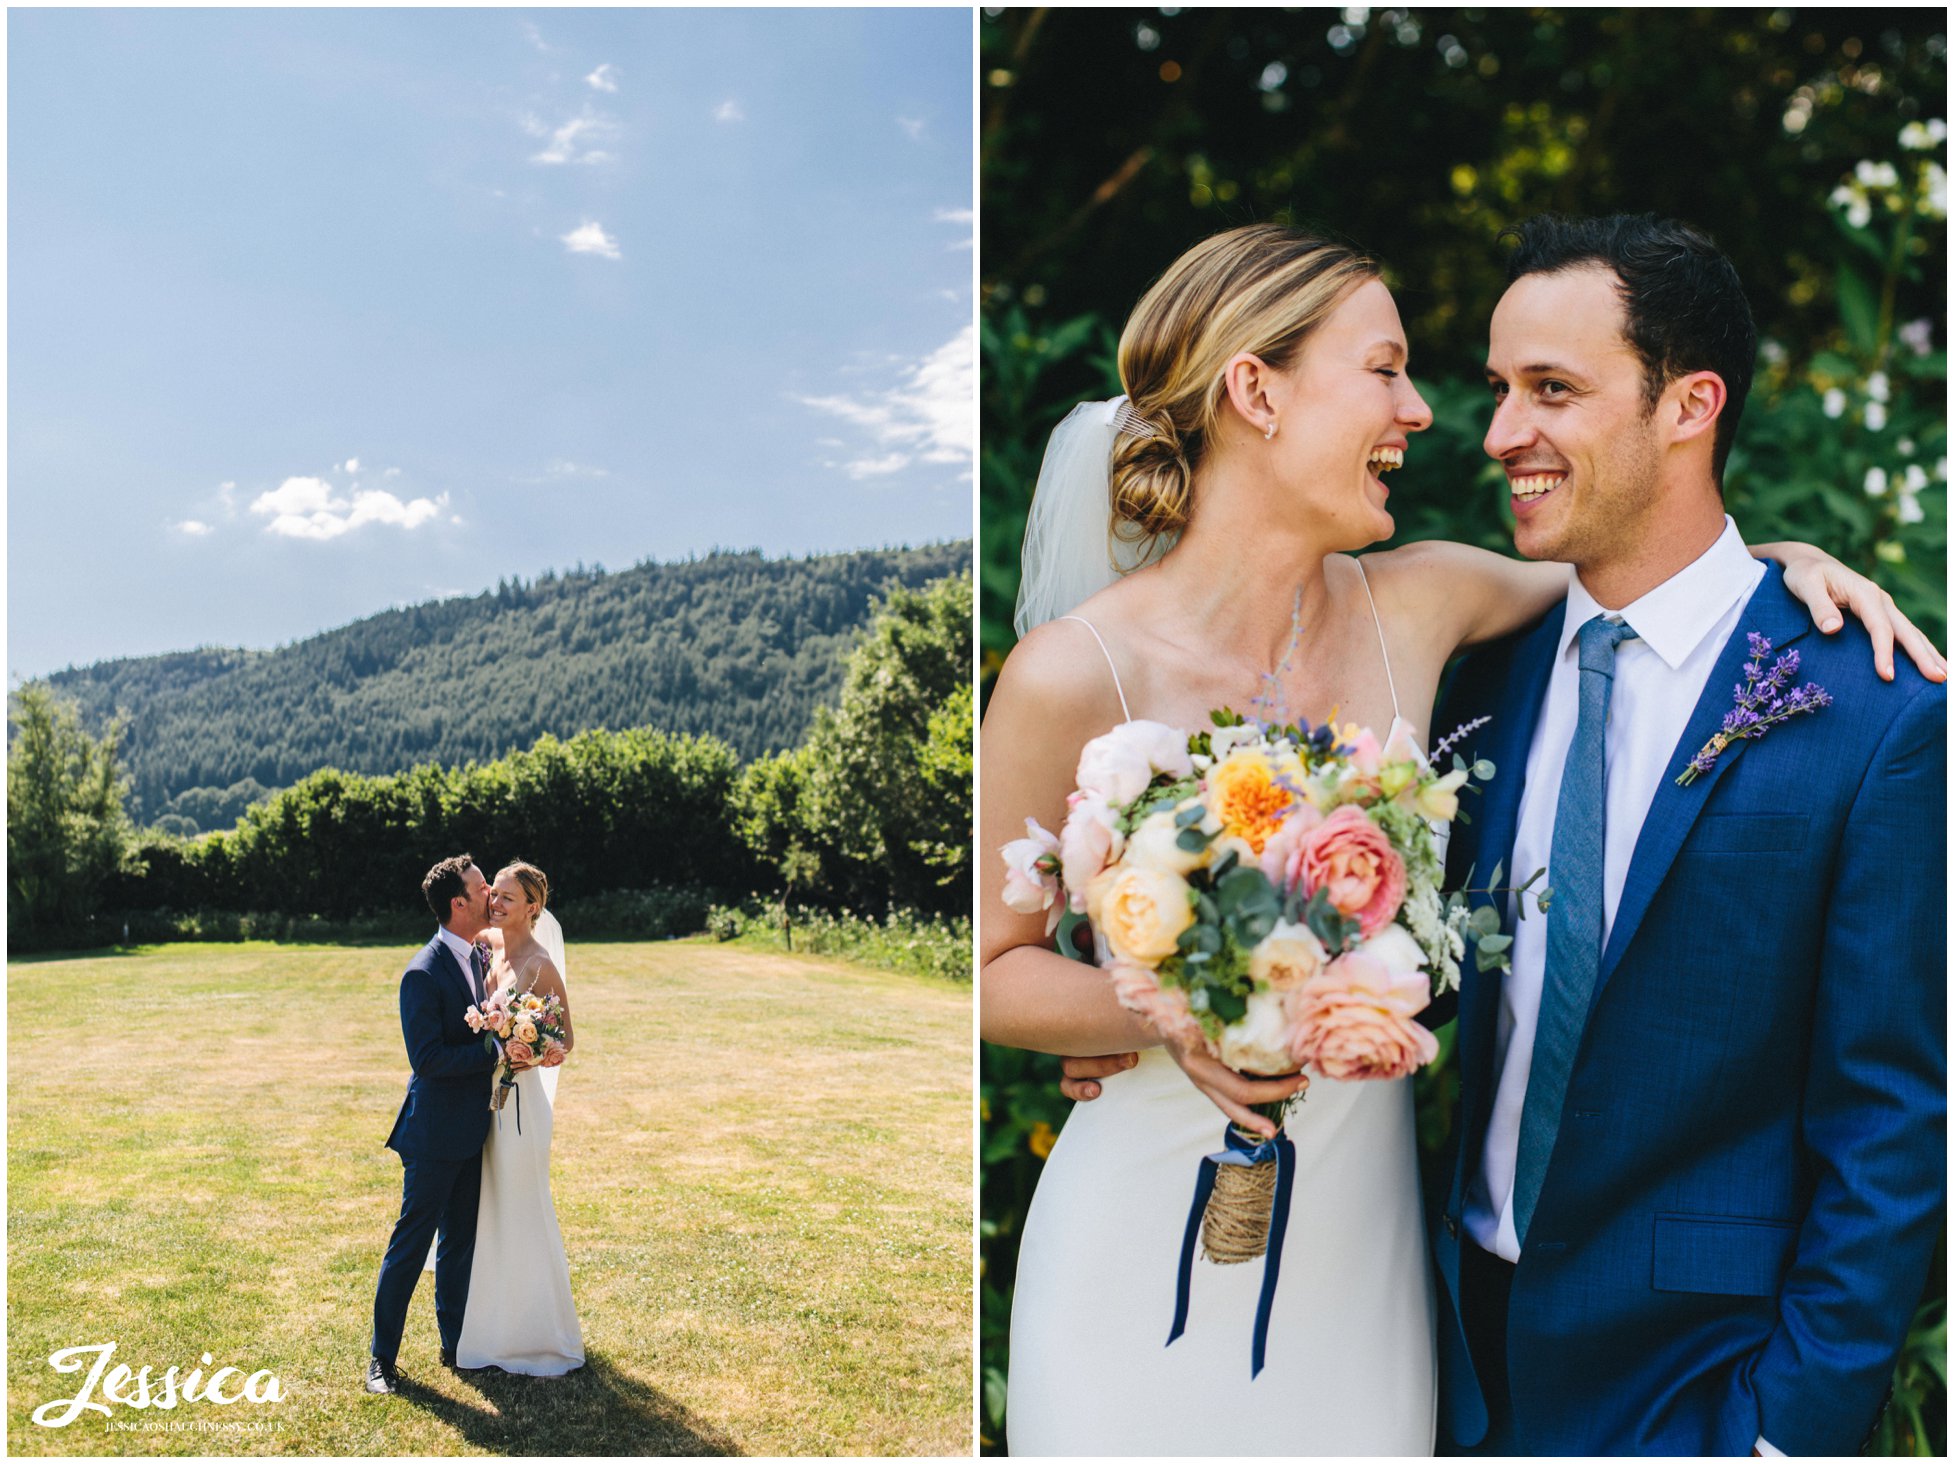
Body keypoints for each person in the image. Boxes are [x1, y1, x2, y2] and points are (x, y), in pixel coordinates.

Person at [979, 222, 1943, 1454]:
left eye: (1541, 388)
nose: (1443, 418)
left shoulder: (1429, 611)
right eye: (1389, 370)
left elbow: (1669, 586)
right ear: (1255, 390)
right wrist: (1168, 1011)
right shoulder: (1082, 673)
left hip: (1375, 1252)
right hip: (1163, 1211)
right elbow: (990, 967)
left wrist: (1797, 567)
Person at [1425, 215, 1944, 1456]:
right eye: (1499, 390)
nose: (1502, 434)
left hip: (1695, 1383)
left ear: (1688, 404)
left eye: (1552, 390)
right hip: (1439, 1353)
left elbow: (1894, 1117)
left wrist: (1785, 1431)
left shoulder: (1876, 715)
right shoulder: (1468, 671)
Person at [368, 854, 503, 1394]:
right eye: (480, 886)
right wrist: (494, 1049)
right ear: (459, 903)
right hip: (432, 1134)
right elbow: (428, 1060)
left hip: (473, 1130)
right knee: (411, 1244)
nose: (490, 890)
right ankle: (381, 1359)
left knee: (460, 1242)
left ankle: (455, 1345)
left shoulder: (482, 953)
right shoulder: (421, 973)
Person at [453, 859, 585, 1375]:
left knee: (521, 1207)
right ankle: (488, 1326)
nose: (497, 903)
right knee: (488, 1210)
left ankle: (536, 1334)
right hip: (482, 1098)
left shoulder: (539, 963)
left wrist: (529, 1051)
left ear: (533, 906)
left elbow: (566, 1038)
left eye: (509, 896)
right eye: (496, 895)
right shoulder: (486, 945)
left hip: (521, 1104)